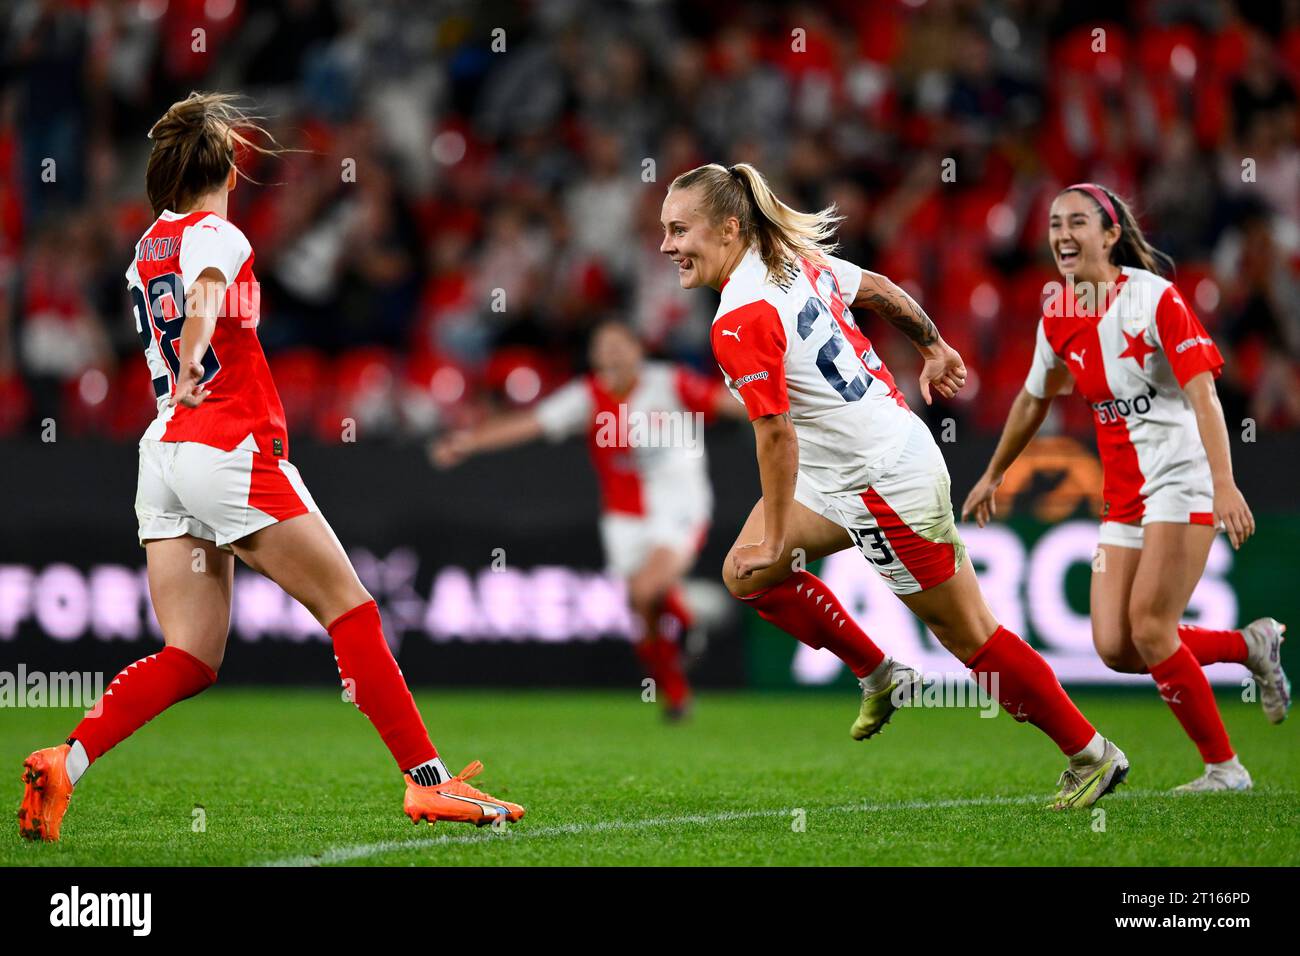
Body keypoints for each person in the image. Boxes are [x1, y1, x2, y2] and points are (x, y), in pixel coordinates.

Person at [18, 93, 524, 843]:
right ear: (227, 166)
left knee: (190, 654)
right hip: (228, 443)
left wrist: (185, 363)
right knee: (351, 609)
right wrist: (194, 356)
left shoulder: (144, 247)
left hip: (164, 455)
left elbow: (185, 301)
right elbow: (207, 297)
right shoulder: (216, 234)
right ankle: (426, 783)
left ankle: (67, 760)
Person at [660, 162, 1130, 809]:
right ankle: (879, 671)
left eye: (679, 229)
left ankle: (1091, 752)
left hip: (882, 480)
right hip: (851, 467)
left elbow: (775, 436)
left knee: (970, 636)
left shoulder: (738, 318)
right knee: (745, 571)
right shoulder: (794, 261)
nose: (667, 245)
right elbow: (878, 288)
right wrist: (933, 345)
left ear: (729, 228)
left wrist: (777, 533)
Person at [962, 182, 1290, 793]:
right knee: (1115, 645)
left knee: (1150, 627)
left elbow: (1204, 394)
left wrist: (1225, 483)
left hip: (1181, 476)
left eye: (1078, 222)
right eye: (1056, 222)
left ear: (1111, 235)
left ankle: (1226, 769)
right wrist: (993, 474)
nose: (1062, 234)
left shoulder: (1155, 299)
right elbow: (1036, 396)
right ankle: (1251, 646)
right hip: (1124, 494)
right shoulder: (1057, 310)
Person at [432, 320, 745, 718]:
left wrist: (782, 411)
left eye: (620, 345)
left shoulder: (670, 383)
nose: (612, 353)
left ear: (638, 350)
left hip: (679, 504)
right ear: (594, 357)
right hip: (623, 518)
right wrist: (469, 442)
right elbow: (532, 424)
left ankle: (685, 625)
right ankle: (676, 690)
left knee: (649, 587)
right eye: (603, 346)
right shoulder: (587, 396)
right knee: (642, 609)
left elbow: (725, 402)